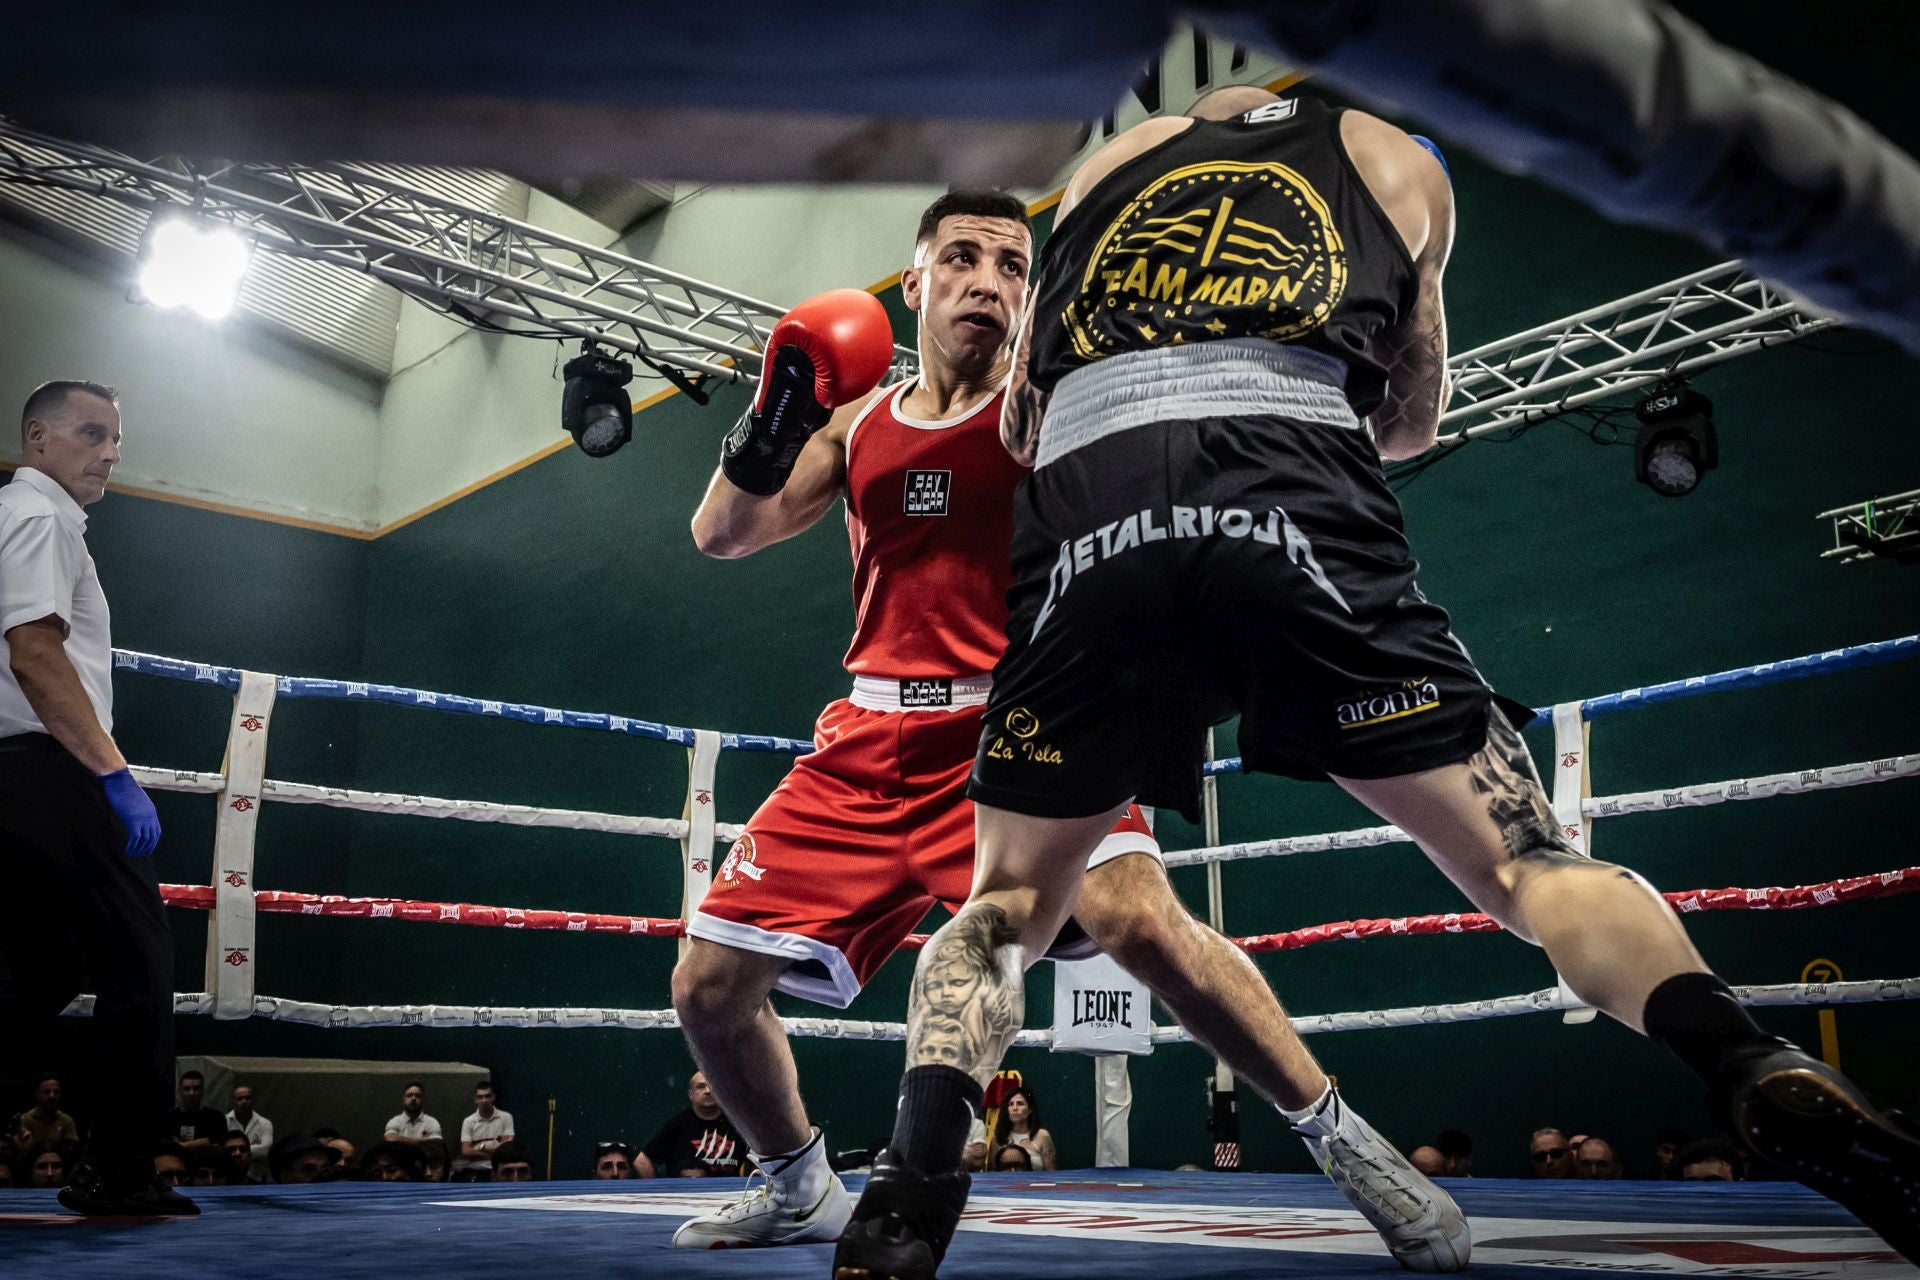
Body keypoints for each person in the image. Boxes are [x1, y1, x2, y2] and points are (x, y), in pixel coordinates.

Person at [835, 86, 1920, 1279]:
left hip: (1099, 509)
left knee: (1003, 908)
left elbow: (1022, 426)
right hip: (1293, 485)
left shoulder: (1101, 170)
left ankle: (909, 1189)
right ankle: (1750, 1062)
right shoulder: (1398, 163)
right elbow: (1411, 419)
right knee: (1526, 862)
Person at [678, 190, 1463, 1269]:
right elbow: (722, 532)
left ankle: (1352, 1142)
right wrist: (772, 416)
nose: (987, 280)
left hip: (1029, 724)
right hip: (864, 741)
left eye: (1011, 263)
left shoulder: (1056, 408)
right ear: (915, 284)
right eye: (961, 257)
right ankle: (795, 1176)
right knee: (707, 987)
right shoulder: (858, 423)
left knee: (1144, 925)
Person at [0, 380, 187, 1217]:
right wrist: (111, 772)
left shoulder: (27, 517)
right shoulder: (37, 518)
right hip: (48, 766)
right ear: (39, 438)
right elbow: (35, 654)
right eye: (91, 433)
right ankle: (115, 1169)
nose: (110, 452)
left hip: (17, 776)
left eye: (115, 438)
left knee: (42, 969)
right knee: (137, 956)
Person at [638, 1071, 748, 1179]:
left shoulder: (737, 1124)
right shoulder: (678, 1125)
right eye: (701, 1087)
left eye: (713, 1086)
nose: (708, 1091)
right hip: (685, 1194)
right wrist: (654, 1191)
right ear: (691, 1094)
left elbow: (759, 1159)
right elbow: (642, 1161)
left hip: (730, 1194)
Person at [452, 1079, 514, 1181]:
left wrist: (479, 1147)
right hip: (475, 1170)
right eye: (480, 1097)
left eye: (487, 1096)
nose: (484, 1100)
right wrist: (493, 1153)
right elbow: (466, 1151)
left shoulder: (506, 1118)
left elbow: (507, 1149)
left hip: (499, 1171)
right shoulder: (468, 1121)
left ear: (493, 1097)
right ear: (475, 1100)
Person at [990, 1087, 1053, 1172]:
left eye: (1020, 1104)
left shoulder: (1042, 1136)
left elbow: (1051, 1172)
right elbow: (991, 1174)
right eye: (1010, 1104)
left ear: (1030, 1109)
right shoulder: (997, 1139)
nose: (1015, 1108)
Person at [168, 1070, 226, 1153]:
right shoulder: (169, 1118)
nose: (191, 1093)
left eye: (196, 1088)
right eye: (187, 1089)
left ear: (202, 1090)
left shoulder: (216, 1117)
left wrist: (182, 1146)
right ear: (179, 1091)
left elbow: (218, 1142)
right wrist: (203, 1143)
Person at [16, 1074, 78, 1151]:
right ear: (37, 1095)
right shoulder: (26, 1119)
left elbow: (72, 1150)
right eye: (47, 1092)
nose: (52, 1096)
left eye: (56, 1092)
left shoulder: (66, 1121)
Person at [225, 1082, 272, 1181]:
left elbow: (265, 1151)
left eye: (247, 1098)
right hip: (228, 1177)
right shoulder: (224, 1122)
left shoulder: (265, 1124)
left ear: (253, 1100)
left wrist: (232, 1150)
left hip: (257, 1177)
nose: (243, 1101)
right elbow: (221, 1150)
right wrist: (252, 1147)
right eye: (239, 1098)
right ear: (233, 1101)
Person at [382, 1082, 442, 1149]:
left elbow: (437, 1143)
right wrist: (422, 1141)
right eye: (409, 1095)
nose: (413, 1098)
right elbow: (391, 1138)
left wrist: (401, 1140)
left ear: (422, 1100)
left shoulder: (432, 1122)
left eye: (418, 1096)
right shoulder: (394, 1121)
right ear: (403, 1100)